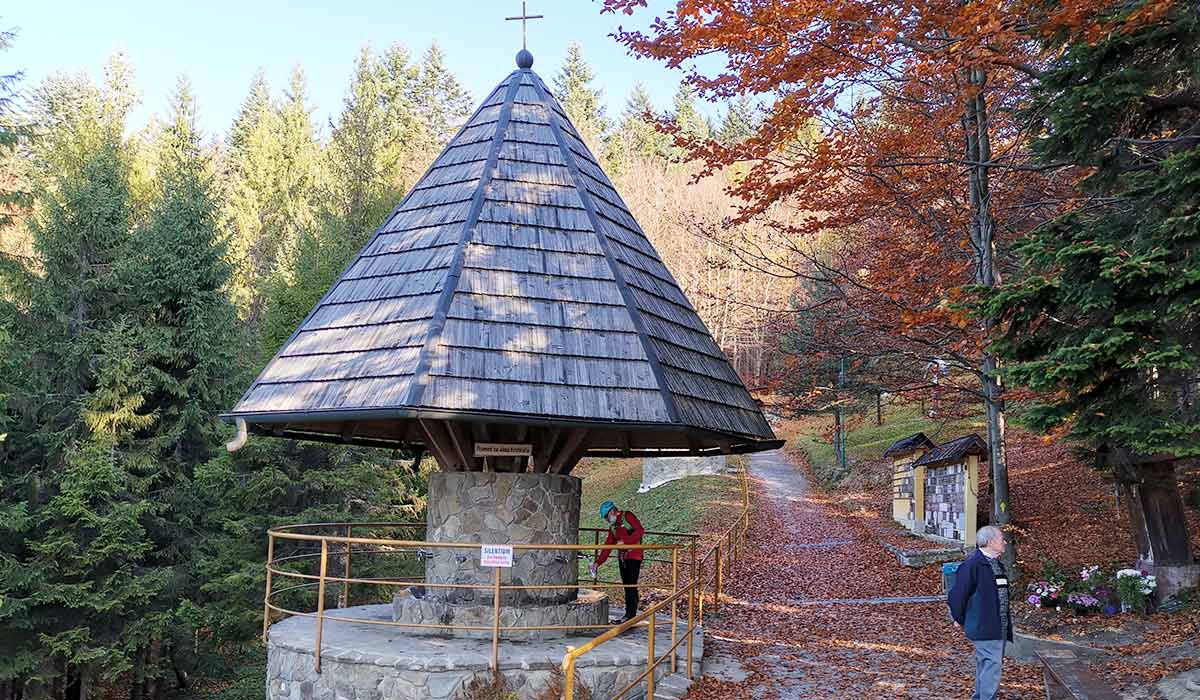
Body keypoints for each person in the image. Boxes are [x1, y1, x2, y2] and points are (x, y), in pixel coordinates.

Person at [948, 525, 1013, 700]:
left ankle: (980, 697)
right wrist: (959, 618)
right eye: (1001, 539)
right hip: (985, 625)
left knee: (986, 664)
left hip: (998, 625)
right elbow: (957, 595)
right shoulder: (972, 565)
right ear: (991, 542)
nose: (1005, 542)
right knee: (992, 665)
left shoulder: (995, 564)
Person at [588, 500, 645, 622]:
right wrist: (597, 563)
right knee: (627, 586)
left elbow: (640, 531)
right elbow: (607, 547)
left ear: (613, 511)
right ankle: (630, 614)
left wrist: (625, 541)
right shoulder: (613, 528)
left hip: (634, 556)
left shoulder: (628, 516)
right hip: (622, 558)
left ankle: (630, 616)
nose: (606, 520)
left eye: (606, 516)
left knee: (631, 585)